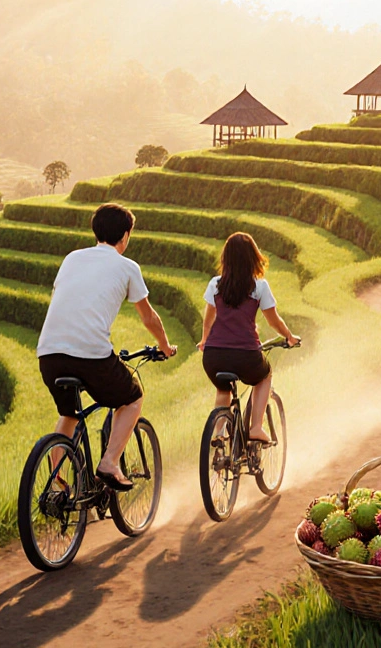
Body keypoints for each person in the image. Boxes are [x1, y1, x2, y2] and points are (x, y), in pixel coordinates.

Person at [36, 203, 178, 491]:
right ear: (125, 236)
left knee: (69, 414)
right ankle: (110, 462)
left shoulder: (72, 259)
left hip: (49, 354)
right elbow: (148, 316)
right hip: (90, 355)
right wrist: (164, 346)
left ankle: (57, 484)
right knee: (132, 397)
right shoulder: (127, 267)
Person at [197, 232, 299, 442]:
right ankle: (255, 427)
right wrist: (289, 336)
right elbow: (273, 321)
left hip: (213, 356)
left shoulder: (215, 284)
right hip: (246, 354)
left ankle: (218, 432)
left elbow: (208, 320)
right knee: (264, 377)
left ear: (226, 259)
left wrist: (205, 339)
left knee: (223, 389)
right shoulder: (259, 286)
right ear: (253, 257)